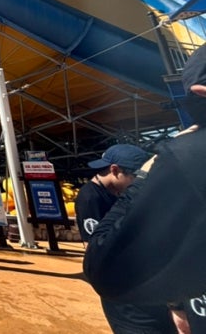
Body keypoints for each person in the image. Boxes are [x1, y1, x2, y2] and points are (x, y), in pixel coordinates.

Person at [84, 44, 206, 333]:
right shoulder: (89, 195)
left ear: (199, 92)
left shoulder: (188, 157)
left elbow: (103, 268)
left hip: (136, 280)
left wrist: (145, 177)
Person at [75, 144, 176, 333]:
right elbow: (95, 247)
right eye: (135, 177)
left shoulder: (117, 192)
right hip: (119, 282)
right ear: (115, 171)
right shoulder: (90, 198)